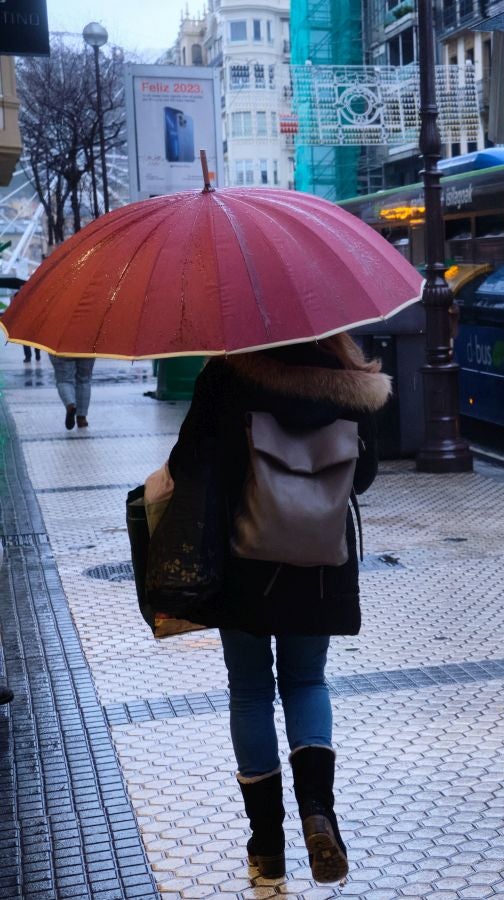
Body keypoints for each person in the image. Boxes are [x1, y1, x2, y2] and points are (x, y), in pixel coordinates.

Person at [167, 334, 390, 883]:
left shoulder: (226, 375)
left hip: (242, 563)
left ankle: (266, 842)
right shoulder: (349, 379)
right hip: (319, 564)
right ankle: (319, 810)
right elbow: (363, 475)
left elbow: (189, 462)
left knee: (249, 691)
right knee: (307, 681)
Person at [50, 354, 94, 429]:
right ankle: (82, 418)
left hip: (62, 347)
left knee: (64, 380)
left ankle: (70, 404)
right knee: (84, 380)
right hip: (87, 346)